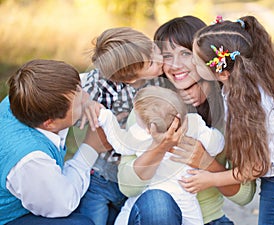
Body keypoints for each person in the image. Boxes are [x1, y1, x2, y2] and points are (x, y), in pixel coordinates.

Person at [117, 16, 256, 225]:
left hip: (208, 219)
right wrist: (159, 147)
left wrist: (205, 162)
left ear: (204, 55)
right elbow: (127, 186)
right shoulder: (150, 105)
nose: (174, 65)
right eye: (166, 56)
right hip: (157, 215)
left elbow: (244, 195)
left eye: (185, 53)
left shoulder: (230, 108)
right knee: (159, 201)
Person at [187, 15, 274, 225]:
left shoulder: (249, 103)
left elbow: (255, 167)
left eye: (196, 62)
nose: (193, 66)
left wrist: (210, 179)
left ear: (221, 73)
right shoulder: (242, 80)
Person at [95, 86, 225, 225]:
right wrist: (207, 137)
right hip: (186, 201)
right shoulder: (194, 124)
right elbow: (217, 144)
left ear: (148, 128)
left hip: (150, 196)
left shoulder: (142, 135)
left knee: (125, 218)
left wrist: (106, 117)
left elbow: (119, 143)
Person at [76, 27, 166, 225]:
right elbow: (71, 89)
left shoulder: (159, 80)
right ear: (130, 78)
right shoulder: (99, 84)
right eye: (151, 62)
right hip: (100, 179)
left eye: (154, 49)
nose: (160, 59)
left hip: (134, 177)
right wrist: (85, 103)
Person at [0, 59, 104, 225]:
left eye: (80, 90)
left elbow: (82, 83)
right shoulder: (31, 160)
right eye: (78, 104)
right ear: (50, 123)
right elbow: (63, 204)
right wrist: (91, 148)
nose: (86, 97)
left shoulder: (31, 97)